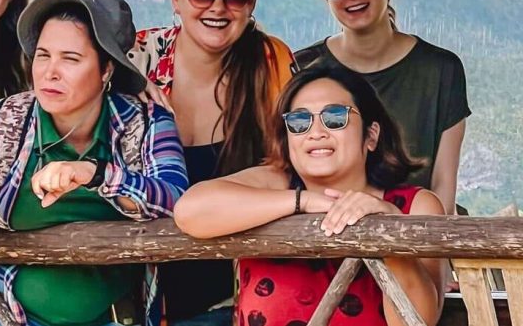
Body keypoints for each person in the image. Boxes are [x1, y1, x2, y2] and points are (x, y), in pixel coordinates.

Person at [0, 0, 188, 326]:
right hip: (1, 315)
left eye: (70, 59)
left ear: (106, 70)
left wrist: (95, 173)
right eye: (43, 55)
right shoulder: (6, 121)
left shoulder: (145, 123)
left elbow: (177, 202)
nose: (50, 72)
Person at [174, 64, 444, 326]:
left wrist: (389, 231)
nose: (316, 132)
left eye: (335, 117)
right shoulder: (273, 184)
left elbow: (418, 320)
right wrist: (303, 202)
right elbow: (189, 211)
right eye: (299, 121)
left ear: (371, 135)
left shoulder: (414, 206)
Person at [127, 0, 296, 326]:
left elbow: (298, 161)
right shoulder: (136, 60)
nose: (218, 7)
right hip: (144, 295)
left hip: (244, 296)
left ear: (252, 1)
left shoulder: (272, 63)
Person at [295, 0, 469, 213]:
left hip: (417, 235)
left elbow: (443, 186)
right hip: (325, 236)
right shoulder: (304, 68)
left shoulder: (440, 70)